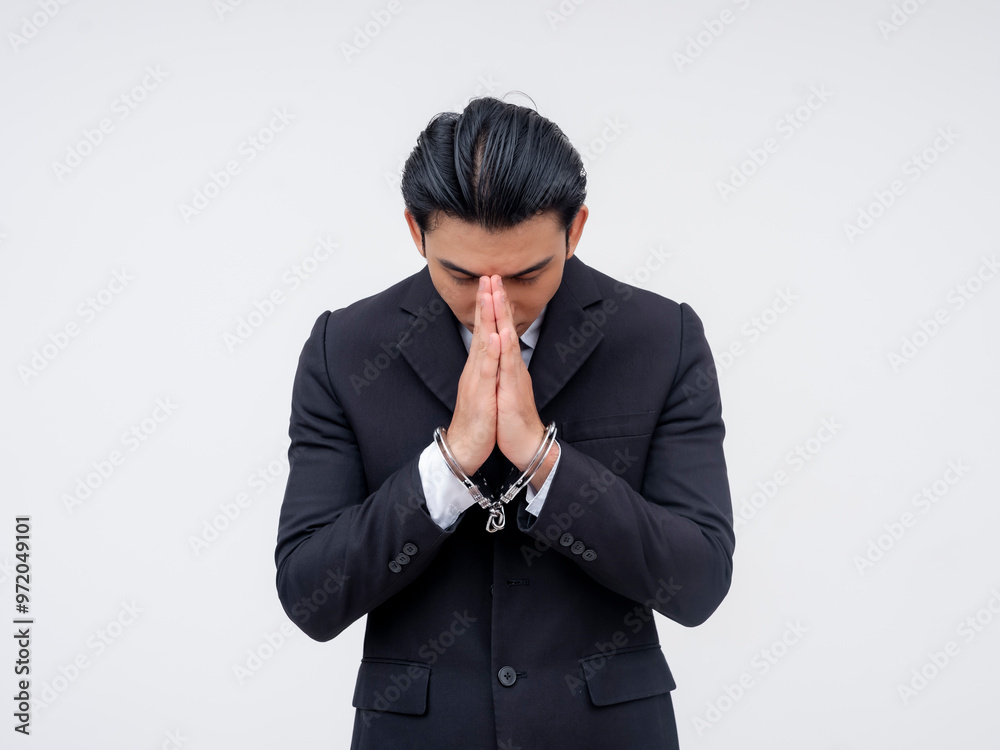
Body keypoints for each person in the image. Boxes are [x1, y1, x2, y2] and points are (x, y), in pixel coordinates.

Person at [274, 95, 735, 749]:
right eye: (461, 274)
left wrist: (547, 464)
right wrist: (450, 463)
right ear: (416, 232)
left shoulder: (662, 339)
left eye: (528, 274)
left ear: (574, 230)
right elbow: (310, 597)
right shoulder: (344, 349)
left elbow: (699, 582)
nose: (495, 302)